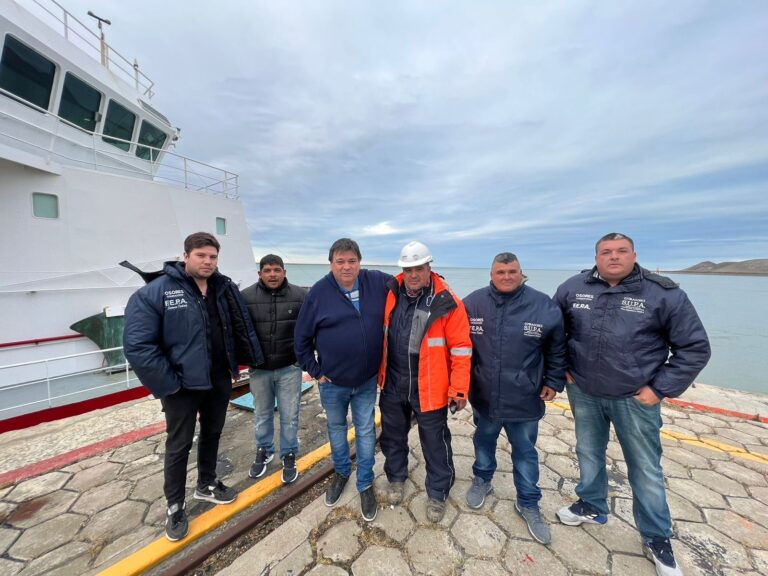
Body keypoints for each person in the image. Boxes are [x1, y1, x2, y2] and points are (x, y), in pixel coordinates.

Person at [554, 232, 711, 576]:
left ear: (634, 255)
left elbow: (695, 348)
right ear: (596, 257)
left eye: (621, 251)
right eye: (606, 252)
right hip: (585, 392)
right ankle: (592, 505)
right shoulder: (572, 288)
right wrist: (563, 368)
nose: (613, 257)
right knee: (588, 453)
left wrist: (659, 389)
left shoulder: (662, 294)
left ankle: (656, 536)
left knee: (645, 468)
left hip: (634, 399)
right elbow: (556, 333)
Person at [124, 232, 263, 542]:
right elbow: (137, 346)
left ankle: (207, 484)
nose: (208, 262)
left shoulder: (220, 288)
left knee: (213, 434)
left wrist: (239, 364)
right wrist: (169, 384)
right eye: (201, 255)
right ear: (185, 256)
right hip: (181, 386)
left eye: (213, 257)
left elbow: (236, 326)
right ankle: (175, 505)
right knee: (179, 445)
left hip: (217, 378)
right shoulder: (156, 292)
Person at [462, 252, 566, 544]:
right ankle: (483, 479)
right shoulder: (473, 303)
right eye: (500, 272)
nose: (506, 277)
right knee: (483, 441)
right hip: (484, 395)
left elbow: (557, 349)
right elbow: (458, 346)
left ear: (522, 273)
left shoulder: (543, 306)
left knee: (525, 451)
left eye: (512, 271)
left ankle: (528, 501)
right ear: (491, 275)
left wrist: (554, 380)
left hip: (525, 397)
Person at [294, 238, 391, 522]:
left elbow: (407, 280)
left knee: (365, 431)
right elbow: (301, 340)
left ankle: (364, 483)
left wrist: (435, 282)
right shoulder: (318, 293)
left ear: (360, 262)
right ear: (331, 264)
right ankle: (340, 472)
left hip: (366, 381)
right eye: (340, 261)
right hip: (333, 382)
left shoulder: (375, 282)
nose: (347, 267)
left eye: (352, 261)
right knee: (337, 429)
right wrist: (315, 371)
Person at [377, 241, 472, 523]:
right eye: (408, 269)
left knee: (434, 442)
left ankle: (438, 492)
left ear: (430, 267)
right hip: (394, 382)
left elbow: (462, 349)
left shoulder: (447, 302)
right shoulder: (391, 291)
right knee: (393, 436)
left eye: (419, 268)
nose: (414, 274)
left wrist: (458, 389)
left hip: (429, 386)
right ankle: (396, 478)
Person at [241, 254, 307, 484]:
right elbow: (239, 331)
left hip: (290, 368)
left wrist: (303, 359)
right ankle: (265, 450)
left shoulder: (300, 296)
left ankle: (289, 453)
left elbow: (309, 329)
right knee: (262, 414)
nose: (272, 274)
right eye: (267, 270)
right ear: (260, 273)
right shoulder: (245, 297)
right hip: (259, 370)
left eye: (277, 270)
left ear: (284, 272)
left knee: (290, 416)